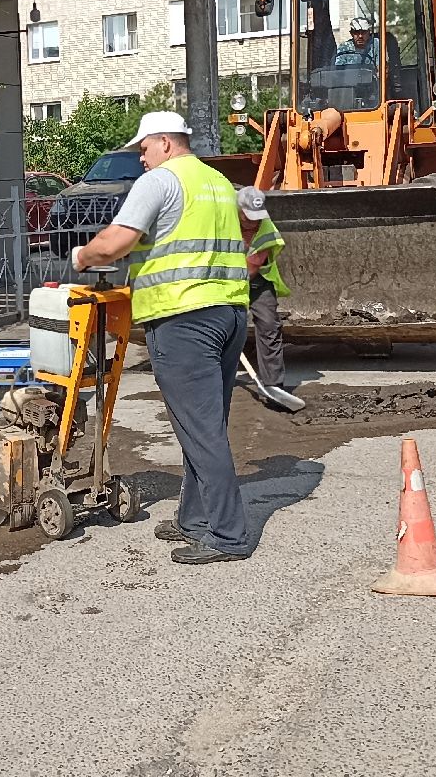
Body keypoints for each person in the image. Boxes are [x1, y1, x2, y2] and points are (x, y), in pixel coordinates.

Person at [71, 112, 253, 565]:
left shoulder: (160, 182)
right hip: (229, 314)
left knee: (202, 430)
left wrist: (81, 255)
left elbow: (116, 242)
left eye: (144, 149)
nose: (141, 158)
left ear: (166, 144)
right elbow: (250, 233)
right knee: (202, 425)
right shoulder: (218, 183)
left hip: (183, 320)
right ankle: (195, 519)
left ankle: (229, 535)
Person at [236, 186, 289, 393]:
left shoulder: (266, 229)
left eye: (256, 217)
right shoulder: (224, 223)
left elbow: (252, 268)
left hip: (258, 281)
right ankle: (217, 380)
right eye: (247, 216)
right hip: (225, 283)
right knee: (223, 329)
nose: (253, 222)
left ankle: (274, 385)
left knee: (269, 326)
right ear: (236, 210)